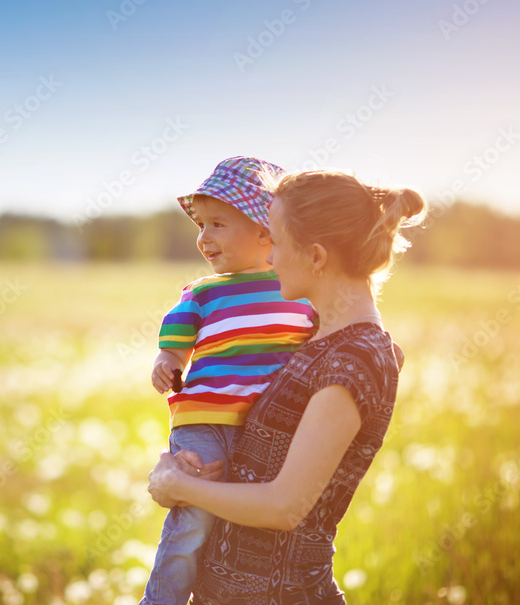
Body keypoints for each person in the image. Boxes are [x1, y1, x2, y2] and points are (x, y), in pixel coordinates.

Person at [146, 168, 425, 604]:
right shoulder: (312, 337)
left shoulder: (354, 358)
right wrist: (198, 468)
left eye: (274, 240)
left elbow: (284, 507)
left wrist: (178, 486)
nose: (268, 257)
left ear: (315, 256)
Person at [142, 157, 317, 605]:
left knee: (242, 519)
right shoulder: (203, 291)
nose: (204, 237)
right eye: (200, 225)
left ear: (266, 232)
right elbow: (176, 341)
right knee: (193, 519)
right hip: (202, 418)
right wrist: (167, 360)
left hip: (263, 427)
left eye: (218, 224)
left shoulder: (295, 290)